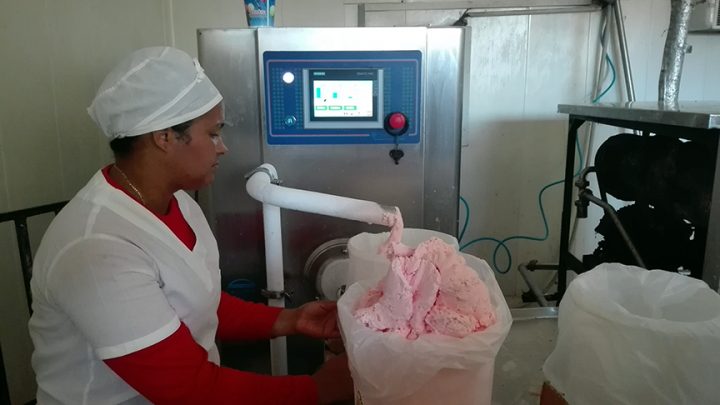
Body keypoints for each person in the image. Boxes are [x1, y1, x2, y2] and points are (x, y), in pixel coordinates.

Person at [28, 46, 354, 404]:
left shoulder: (177, 200)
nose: (223, 147)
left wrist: (290, 321)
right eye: (213, 133)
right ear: (164, 136)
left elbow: (200, 301)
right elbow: (190, 390)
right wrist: (319, 390)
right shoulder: (96, 248)